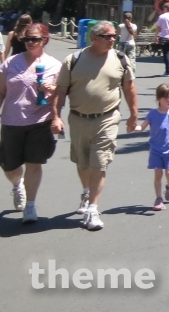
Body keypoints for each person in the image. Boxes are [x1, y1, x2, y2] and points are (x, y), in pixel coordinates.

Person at [49, 20, 138, 231]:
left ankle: (93, 209)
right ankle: (86, 192)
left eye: (114, 36)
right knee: (82, 162)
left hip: (107, 118)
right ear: (94, 38)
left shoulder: (120, 59)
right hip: (78, 118)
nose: (112, 39)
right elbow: (60, 91)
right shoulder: (74, 59)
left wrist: (134, 115)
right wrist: (56, 116)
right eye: (107, 36)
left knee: (99, 162)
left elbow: (129, 88)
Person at [0, 24, 61, 224]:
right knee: (9, 165)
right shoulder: (11, 62)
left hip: (40, 121)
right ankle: (17, 184)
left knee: (34, 164)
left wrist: (52, 89)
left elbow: (61, 94)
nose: (30, 42)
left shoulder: (54, 65)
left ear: (45, 39)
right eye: (27, 39)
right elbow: (0, 92)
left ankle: (30, 206)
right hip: (12, 121)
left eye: (35, 39)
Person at [136, 83, 169, 211]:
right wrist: (136, 128)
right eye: (165, 97)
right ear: (158, 99)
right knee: (158, 174)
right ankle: (158, 198)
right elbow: (143, 126)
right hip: (156, 149)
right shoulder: (152, 114)